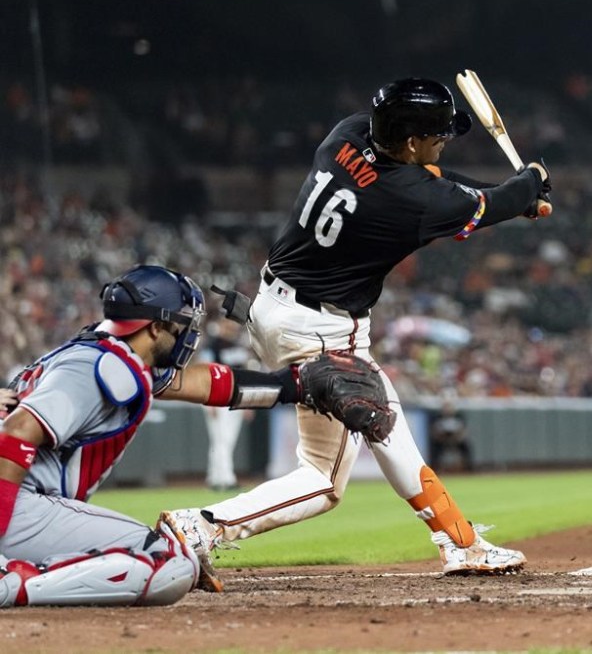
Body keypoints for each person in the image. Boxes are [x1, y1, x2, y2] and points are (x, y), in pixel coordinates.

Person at [161, 77, 551, 583]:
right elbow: (466, 203)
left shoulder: (346, 134)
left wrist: (514, 193)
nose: (441, 143)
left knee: (332, 466)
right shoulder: (414, 203)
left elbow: (437, 183)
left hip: (269, 309)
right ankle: (460, 542)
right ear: (411, 142)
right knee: (343, 462)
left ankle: (201, 529)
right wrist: (527, 184)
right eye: (435, 136)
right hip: (323, 331)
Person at [0, 265, 313, 607]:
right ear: (156, 327)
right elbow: (18, 430)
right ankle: (11, 585)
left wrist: (290, 386)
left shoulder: (107, 354)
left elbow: (203, 382)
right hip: (17, 504)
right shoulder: (102, 365)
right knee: (169, 561)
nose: (186, 335)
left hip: (26, 502)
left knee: (164, 557)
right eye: (180, 325)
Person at [200, 318, 255, 491]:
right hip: (217, 397)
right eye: (227, 325)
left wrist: (246, 403)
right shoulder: (213, 345)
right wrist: (210, 403)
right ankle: (227, 479)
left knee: (224, 441)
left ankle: (215, 477)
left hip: (235, 397)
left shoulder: (239, 346)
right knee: (221, 439)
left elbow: (244, 376)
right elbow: (204, 373)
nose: (231, 328)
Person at [428, 399, 473, 472]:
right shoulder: (437, 416)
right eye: (446, 407)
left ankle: (469, 468)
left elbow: (464, 431)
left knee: (466, 446)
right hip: (441, 440)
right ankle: (434, 468)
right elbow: (433, 431)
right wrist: (441, 438)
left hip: (456, 439)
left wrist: (456, 438)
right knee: (434, 448)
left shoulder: (459, 416)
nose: (448, 409)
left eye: (449, 407)